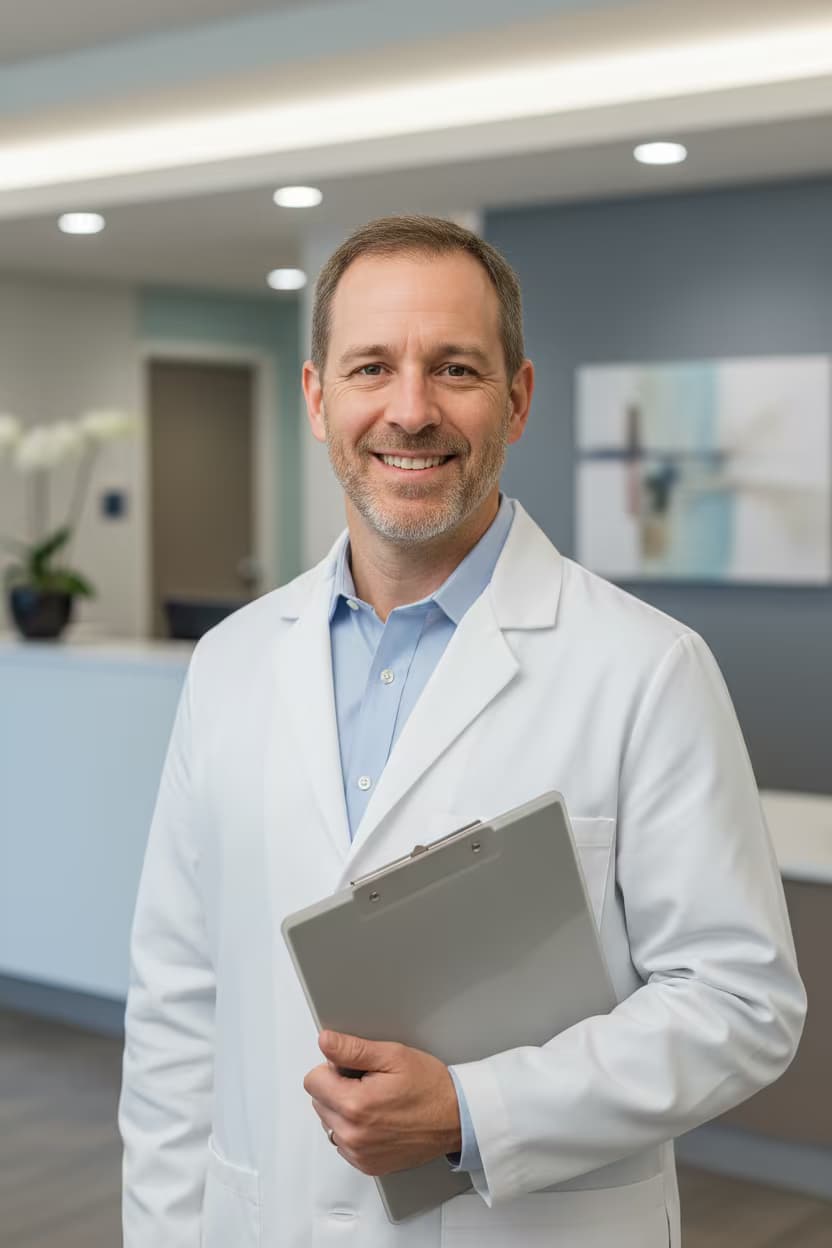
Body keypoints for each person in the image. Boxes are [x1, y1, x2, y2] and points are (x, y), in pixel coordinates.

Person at [119, 215, 806, 1248]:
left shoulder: (645, 667)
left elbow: (741, 1003)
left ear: (516, 398)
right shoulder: (231, 663)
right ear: (316, 398)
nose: (409, 409)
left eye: (454, 368)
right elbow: (177, 1005)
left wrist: (477, 1111)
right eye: (369, 368)